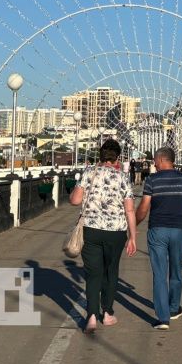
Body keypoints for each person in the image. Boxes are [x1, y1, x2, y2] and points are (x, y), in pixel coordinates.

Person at [69, 139, 137, 334]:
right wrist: (132, 236)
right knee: (111, 271)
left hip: (91, 230)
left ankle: (91, 316)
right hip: (116, 232)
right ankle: (106, 313)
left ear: (101, 155)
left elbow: (75, 201)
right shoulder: (123, 177)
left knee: (93, 274)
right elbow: (130, 210)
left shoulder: (89, 173)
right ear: (117, 157)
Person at [134, 147, 182, 330]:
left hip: (158, 231)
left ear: (162, 160)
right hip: (179, 231)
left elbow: (144, 208)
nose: (154, 164)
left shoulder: (152, 180)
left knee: (160, 274)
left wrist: (132, 227)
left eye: (155, 161)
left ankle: (163, 319)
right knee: (177, 271)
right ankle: (173, 307)